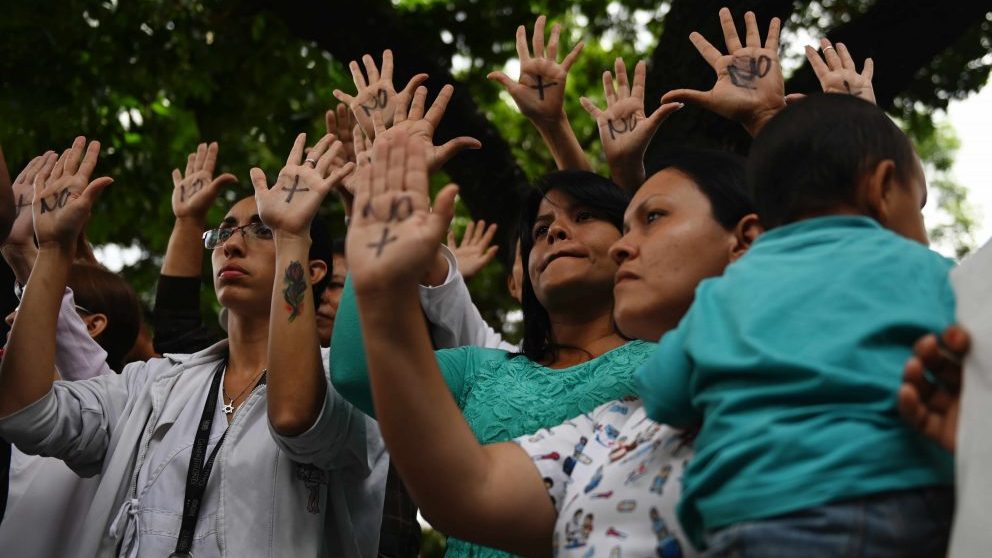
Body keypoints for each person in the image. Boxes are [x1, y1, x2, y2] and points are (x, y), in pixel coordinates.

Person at [343, 130, 758, 558]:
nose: (557, 233)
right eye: (539, 231)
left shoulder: (747, 372)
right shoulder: (609, 427)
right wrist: (380, 287)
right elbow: (470, 488)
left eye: (587, 217)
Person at [0, 134, 385, 558]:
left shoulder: (345, 383)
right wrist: (51, 250)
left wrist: (292, 233)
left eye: (262, 229)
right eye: (224, 232)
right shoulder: (153, 384)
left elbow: (293, 415)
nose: (231, 244)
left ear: (312, 271)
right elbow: (25, 415)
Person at [638, 93, 954, 557]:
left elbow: (662, 394)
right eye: (916, 196)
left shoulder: (723, 291)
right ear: (884, 187)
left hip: (745, 516)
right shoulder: (929, 271)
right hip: (901, 500)